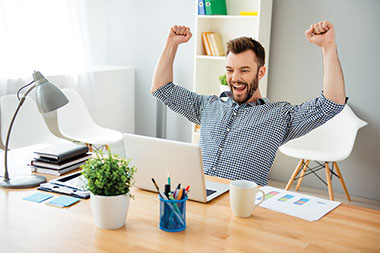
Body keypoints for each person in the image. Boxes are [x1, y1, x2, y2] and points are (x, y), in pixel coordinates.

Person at [151, 21, 346, 186]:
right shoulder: (208, 105)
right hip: (197, 197)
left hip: (241, 210)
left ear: (260, 73)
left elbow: (331, 103)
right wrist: (172, 44)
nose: (235, 78)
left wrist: (328, 47)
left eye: (244, 70)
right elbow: (161, 89)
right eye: (230, 70)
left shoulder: (279, 116)